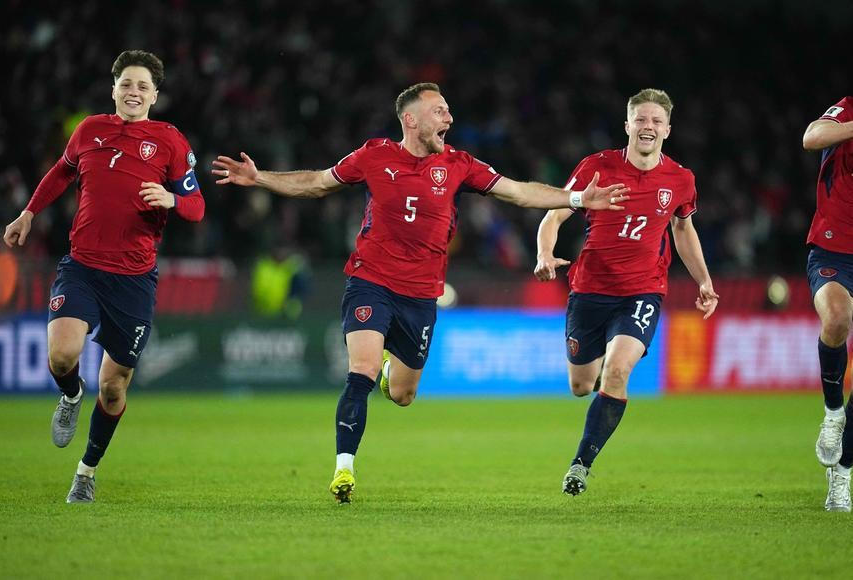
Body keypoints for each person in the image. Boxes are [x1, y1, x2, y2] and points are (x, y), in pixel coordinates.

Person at [212, 82, 630, 503]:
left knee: (403, 394)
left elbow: (519, 191)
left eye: (448, 111)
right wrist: (260, 177)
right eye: (439, 111)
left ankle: (390, 372)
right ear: (410, 119)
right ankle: (344, 468)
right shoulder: (374, 155)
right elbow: (318, 182)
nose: (449, 118)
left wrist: (578, 198)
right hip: (370, 281)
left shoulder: (459, 164)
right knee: (360, 371)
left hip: (421, 296)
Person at [2, 50, 204, 503]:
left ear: (155, 95)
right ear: (113, 89)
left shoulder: (170, 141)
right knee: (61, 356)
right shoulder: (89, 130)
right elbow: (61, 172)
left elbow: (196, 206)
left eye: (143, 86)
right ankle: (71, 395)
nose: (134, 92)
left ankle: (85, 473)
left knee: (113, 387)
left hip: (133, 280)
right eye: (126, 84)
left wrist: (172, 200)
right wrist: (29, 212)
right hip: (83, 267)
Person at [533, 88, 718, 497]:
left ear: (667, 130)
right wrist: (545, 254)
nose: (648, 126)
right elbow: (553, 216)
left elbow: (683, 229)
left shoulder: (681, 179)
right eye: (641, 119)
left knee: (618, 371)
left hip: (643, 291)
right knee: (581, 385)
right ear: (628, 125)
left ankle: (581, 465)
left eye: (656, 121)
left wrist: (704, 280)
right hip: (589, 290)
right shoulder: (597, 167)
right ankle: (602, 380)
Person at [802, 96, 853, 512]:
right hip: (834, 250)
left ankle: (842, 472)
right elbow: (812, 137)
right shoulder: (848, 109)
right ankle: (833, 413)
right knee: (836, 318)